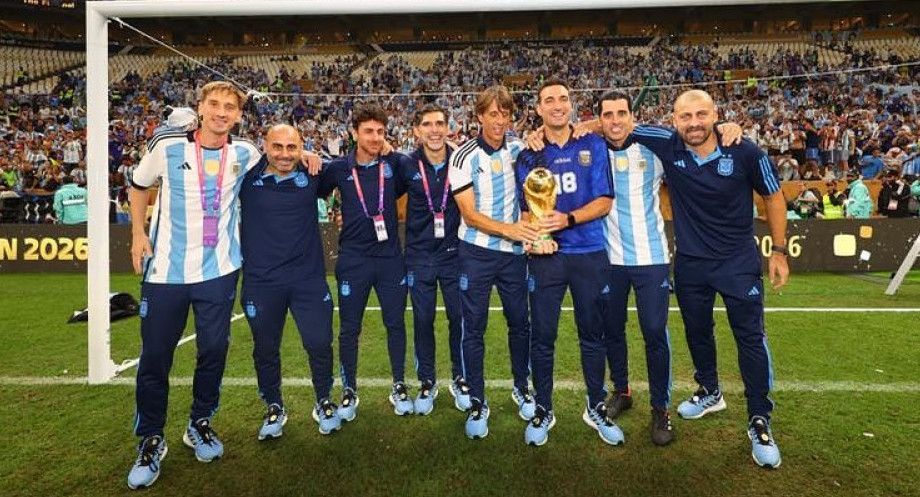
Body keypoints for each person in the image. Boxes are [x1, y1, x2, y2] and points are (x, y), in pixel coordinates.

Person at [631, 89, 788, 469]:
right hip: (691, 265)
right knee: (698, 332)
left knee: (750, 337)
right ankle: (710, 390)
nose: (694, 123)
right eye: (685, 116)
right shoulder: (667, 144)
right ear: (673, 120)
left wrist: (779, 251)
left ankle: (759, 418)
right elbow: (614, 125)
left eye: (702, 114)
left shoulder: (746, 151)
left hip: (738, 263)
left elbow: (774, 197)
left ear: (715, 115)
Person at [126, 81, 263, 489]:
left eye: (230, 107)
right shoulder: (166, 144)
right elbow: (138, 186)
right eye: (215, 104)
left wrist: (307, 154)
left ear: (238, 115)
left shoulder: (246, 152)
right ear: (200, 108)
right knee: (155, 357)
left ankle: (199, 423)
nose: (222, 112)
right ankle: (151, 438)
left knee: (214, 351)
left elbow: (278, 161)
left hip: (219, 271)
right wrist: (137, 232)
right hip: (166, 272)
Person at [514, 79, 615, 446]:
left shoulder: (592, 143)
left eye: (564, 99)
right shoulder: (527, 154)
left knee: (593, 334)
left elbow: (605, 200)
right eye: (549, 100)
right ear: (539, 109)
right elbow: (526, 212)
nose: (558, 105)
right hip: (547, 259)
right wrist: (535, 238)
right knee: (543, 337)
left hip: (588, 253)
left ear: (571, 105)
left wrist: (568, 219)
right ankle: (544, 408)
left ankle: (595, 406)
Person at [238, 124, 341, 440]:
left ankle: (323, 399)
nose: (284, 154)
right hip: (261, 282)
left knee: (319, 343)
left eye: (292, 147)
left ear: (302, 147)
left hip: (307, 280)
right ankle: (273, 405)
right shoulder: (246, 177)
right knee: (266, 349)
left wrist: (312, 156)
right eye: (278, 146)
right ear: (265, 146)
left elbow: (353, 170)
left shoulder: (313, 174)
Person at [448, 85, 538, 440]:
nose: (499, 120)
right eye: (492, 114)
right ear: (480, 116)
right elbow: (469, 216)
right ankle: (477, 400)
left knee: (520, 324)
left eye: (505, 113)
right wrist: (513, 231)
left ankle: (521, 387)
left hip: (514, 257)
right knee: (475, 328)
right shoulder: (464, 157)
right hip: (477, 253)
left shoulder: (520, 149)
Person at [321, 104, 413, 420]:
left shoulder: (393, 165)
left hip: (390, 259)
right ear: (354, 133)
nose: (375, 137)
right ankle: (349, 390)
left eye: (380, 132)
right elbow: (314, 187)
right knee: (349, 328)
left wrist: (391, 150)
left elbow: (413, 166)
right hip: (353, 259)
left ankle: (399, 384)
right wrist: (308, 157)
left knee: (395, 324)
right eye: (368, 131)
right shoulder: (338, 168)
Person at [393, 104, 468, 415]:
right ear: (416, 130)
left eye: (440, 123)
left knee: (458, 319)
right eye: (428, 124)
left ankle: (461, 379)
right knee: (423, 320)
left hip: (454, 254)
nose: (435, 129)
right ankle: (427, 381)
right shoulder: (405, 164)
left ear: (448, 127)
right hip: (419, 256)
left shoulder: (461, 160)